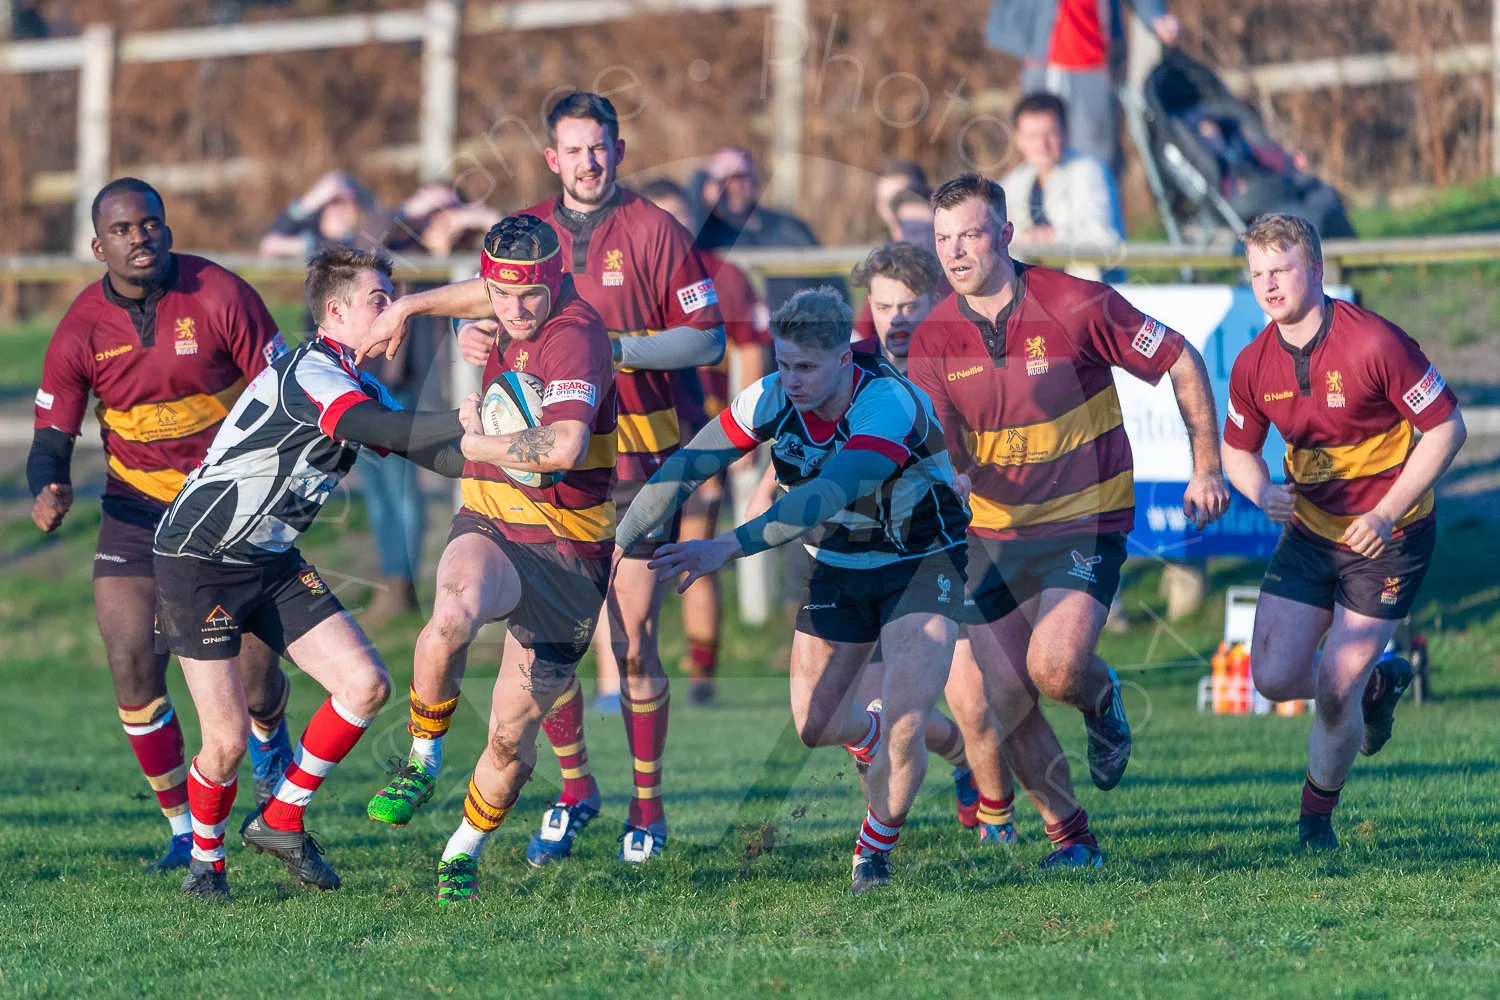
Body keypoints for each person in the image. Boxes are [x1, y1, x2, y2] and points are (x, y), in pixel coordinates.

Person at [358, 93, 725, 867]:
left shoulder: (656, 230)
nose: (588, 162)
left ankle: (648, 809)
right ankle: (575, 789)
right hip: (530, 479)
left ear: (618, 151)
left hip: (634, 469)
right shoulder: (530, 232)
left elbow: (709, 338)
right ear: (551, 158)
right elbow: (492, 291)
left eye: (600, 147)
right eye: (573, 149)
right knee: (540, 644)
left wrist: (613, 350)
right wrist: (421, 305)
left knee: (630, 642)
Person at [907, 174, 1228, 867]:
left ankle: (1101, 699)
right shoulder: (934, 336)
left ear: (1004, 234)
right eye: (943, 240)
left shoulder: (1072, 302)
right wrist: (948, 472)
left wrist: (1207, 463)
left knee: (1053, 669)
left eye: (969, 234)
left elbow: (1179, 358)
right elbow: (938, 441)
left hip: (1086, 517)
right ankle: (1071, 838)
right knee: (1004, 694)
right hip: (992, 532)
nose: (956, 251)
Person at [620, 287, 972, 894]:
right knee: (814, 726)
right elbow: (689, 464)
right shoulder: (772, 394)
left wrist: (724, 545)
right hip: (837, 561)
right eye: (783, 363)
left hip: (921, 559)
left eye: (806, 366)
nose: (792, 378)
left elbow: (823, 496)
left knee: (907, 724)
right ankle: (882, 737)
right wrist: (617, 542)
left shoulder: (885, 401)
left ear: (843, 358)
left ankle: (873, 852)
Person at [153, 247, 467, 898]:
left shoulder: (357, 379)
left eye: (394, 299)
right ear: (336, 311)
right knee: (228, 741)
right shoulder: (312, 372)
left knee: (366, 685)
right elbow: (372, 425)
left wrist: (523, 446)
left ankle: (282, 816)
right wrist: (470, 428)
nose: (392, 316)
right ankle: (205, 866)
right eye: (380, 302)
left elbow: (437, 452)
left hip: (268, 560)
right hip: (199, 559)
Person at [27, 177, 295, 873]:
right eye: (122, 230)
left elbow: (286, 390)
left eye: (150, 224)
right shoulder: (81, 326)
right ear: (97, 245)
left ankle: (270, 739)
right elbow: (51, 434)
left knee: (257, 685)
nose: (139, 237)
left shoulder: (220, 295)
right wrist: (46, 485)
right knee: (131, 665)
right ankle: (182, 831)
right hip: (135, 515)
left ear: (167, 230)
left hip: (232, 512)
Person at [1222, 214, 1466, 850]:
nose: (1269, 286)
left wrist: (1385, 512)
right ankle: (1378, 682)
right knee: (1273, 678)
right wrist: (1260, 491)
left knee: (1334, 685)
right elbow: (1236, 452)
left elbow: (1447, 429)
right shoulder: (1252, 363)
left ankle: (1314, 825)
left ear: (1317, 269)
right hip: (1310, 533)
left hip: (1392, 536)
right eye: (1257, 275)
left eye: (1280, 270)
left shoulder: (1374, 343)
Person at [398, 216, 618, 905]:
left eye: (529, 297)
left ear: (555, 283)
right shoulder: (499, 304)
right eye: (501, 295)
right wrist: (408, 305)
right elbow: (473, 294)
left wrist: (473, 440)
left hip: (569, 553)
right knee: (450, 617)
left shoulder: (576, 335)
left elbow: (561, 450)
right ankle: (420, 758)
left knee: (507, 739)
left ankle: (461, 850)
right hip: (493, 517)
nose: (514, 311)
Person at [848, 241, 1021, 841]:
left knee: (971, 702)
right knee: (876, 718)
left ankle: (996, 818)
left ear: (939, 302)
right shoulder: (852, 370)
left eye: (910, 305)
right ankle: (957, 778)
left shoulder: (965, 361)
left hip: (956, 550)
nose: (896, 320)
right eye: (883, 306)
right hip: (870, 556)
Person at [641, 177, 771, 706]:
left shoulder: (725, 276)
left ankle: (701, 677)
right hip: (636, 438)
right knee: (629, 559)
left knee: (694, 547)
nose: (671, 229)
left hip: (701, 437)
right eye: (660, 217)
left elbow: (752, 352)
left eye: (679, 217)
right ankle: (631, 671)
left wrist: (747, 436)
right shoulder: (627, 279)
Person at [985, 0, 1179, 175]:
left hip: (1092, 66)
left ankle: (1101, 211)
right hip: (1040, 63)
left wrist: (1155, 15)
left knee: (1097, 160)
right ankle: (1042, 212)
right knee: (1039, 154)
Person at [694, 145, 840, 310]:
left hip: (791, 328)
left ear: (755, 181)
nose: (733, 187)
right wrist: (699, 187)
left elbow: (831, 282)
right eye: (723, 180)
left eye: (741, 178)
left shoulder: (790, 228)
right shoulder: (702, 234)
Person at [1000, 93, 1123, 254]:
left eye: (1050, 134)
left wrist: (1052, 237)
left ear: (1065, 132)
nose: (1042, 145)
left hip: (1084, 278)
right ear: (1018, 138)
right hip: (1031, 278)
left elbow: (1106, 237)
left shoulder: (1089, 172)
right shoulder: (1012, 183)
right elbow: (997, 237)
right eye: (1032, 136)